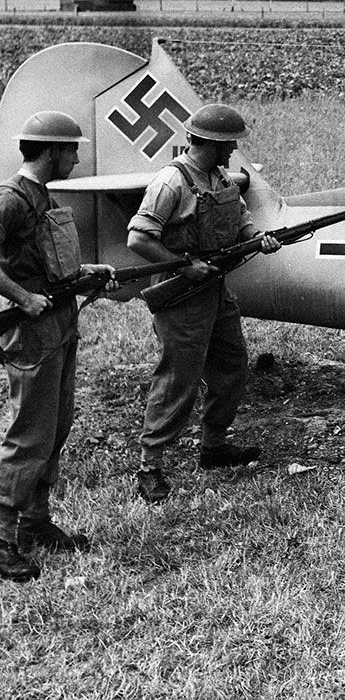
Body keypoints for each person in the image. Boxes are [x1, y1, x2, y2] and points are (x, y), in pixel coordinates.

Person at [127, 103, 281, 504]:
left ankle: (213, 447)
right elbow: (138, 238)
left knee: (231, 365)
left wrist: (258, 238)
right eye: (229, 143)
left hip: (215, 289)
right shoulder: (171, 183)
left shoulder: (220, 178)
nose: (233, 150)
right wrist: (185, 266)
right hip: (182, 292)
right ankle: (150, 465)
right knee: (178, 377)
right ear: (211, 143)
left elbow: (242, 220)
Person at [0, 112, 115, 582]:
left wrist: (85, 271)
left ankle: (35, 523)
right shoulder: (9, 200)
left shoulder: (40, 197)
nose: (76, 157)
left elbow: (42, 259)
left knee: (56, 428)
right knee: (29, 435)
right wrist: (23, 297)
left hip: (59, 325)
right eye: (71, 150)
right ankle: (3, 536)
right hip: (31, 333)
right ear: (49, 151)